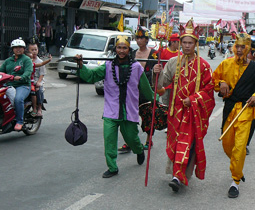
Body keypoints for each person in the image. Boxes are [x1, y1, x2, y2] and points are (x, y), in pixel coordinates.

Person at [76, 35, 155, 178]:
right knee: (109, 139)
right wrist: (81, 66)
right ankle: (112, 167)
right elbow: (91, 76)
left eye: (124, 47)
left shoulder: (136, 67)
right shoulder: (107, 66)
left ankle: (138, 150)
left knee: (132, 138)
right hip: (110, 111)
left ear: (129, 49)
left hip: (129, 111)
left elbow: (146, 88)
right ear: (115, 49)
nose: (122, 50)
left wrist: (156, 101)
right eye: (119, 47)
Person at [153, 18, 215, 192]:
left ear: (195, 44)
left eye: (190, 43)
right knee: (176, 142)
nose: (187, 46)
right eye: (184, 42)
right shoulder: (173, 62)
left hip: (193, 113)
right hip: (175, 112)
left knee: (187, 142)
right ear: (180, 43)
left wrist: (194, 99)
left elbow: (209, 89)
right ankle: (176, 174)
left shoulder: (204, 66)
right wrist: (155, 74)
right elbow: (161, 85)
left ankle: (178, 176)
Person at [212, 33, 255, 198]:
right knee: (227, 145)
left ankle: (235, 181)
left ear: (249, 49)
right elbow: (212, 81)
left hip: (246, 110)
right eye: (238, 46)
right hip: (229, 109)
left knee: (240, 147)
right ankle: (238, 168)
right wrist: (220, 84)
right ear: (234, 47)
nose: (240, 50)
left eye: (244, 47)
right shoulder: (225, 64)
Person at [118, 26, 157, 153]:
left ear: (147, 39)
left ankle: (148, 140)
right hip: (132, 90)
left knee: (148, 116)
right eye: (138, 38)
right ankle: (129, 141)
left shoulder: (154, 54)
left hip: (147, 88)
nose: (139, 40)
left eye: (142, 38)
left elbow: (159, 73)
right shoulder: (132, 53)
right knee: (130, 117)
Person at [0, 38, 33, 131]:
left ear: (23, 49)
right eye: (15, 48)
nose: (18, 49)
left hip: (23, 85)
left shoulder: (27, 60)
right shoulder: (8, 61)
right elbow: (1, 71)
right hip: (8, 85)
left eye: (20, 47)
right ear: (12, 49)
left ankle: (19, 121)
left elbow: (28, 71)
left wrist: (22, 77)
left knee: (18, 99)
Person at [26, 43, 52, 117]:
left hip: (36, 81)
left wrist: (39, 82)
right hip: (27, 81)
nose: (34, 51)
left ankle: (39, 108)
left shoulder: (39, 61)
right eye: (32, 50)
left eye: (35, 49)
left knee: (39, 90)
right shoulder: (26, 61)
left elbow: (42, 74)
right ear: (28, 51)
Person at [159, 33, 182, 106]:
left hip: (177, 85)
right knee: (166, 105)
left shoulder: (180, 54)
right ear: (172, 42)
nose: (180, 44)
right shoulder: (163, 52)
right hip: (166, 84)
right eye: (178, 42)